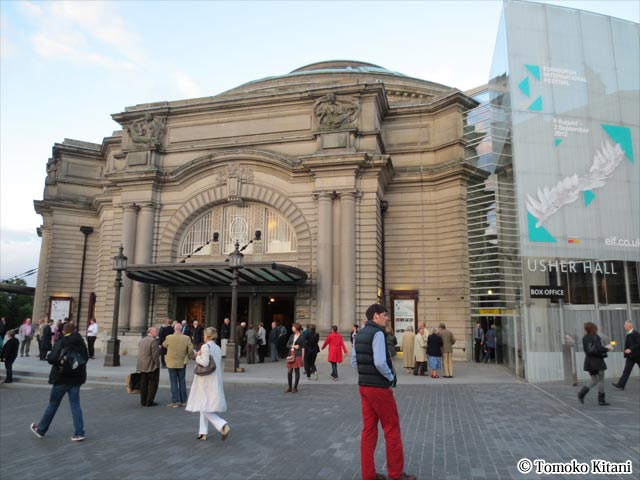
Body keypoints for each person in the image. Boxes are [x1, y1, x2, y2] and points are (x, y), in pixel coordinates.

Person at [351, 304, 415, 480]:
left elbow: (354, 361)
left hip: (363, 386)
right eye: (385, 315)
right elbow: (380, 362)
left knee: (369, 430)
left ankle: (368, 475)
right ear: (376, 316)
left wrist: (365, 374)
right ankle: (395, 474)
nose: (387, 318)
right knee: (392, 429)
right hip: (379, 387)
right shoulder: (377, 333)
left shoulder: (359, 334)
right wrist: (390, 377)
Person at [30, 322, 89, 441]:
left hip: (61, 378)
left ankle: (41, 429)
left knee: (53, 404)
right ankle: (79, 432)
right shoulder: (81, 342)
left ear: (64, 331)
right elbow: (85, 358)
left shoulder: (62, 342)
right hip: (76, 378)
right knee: (75, 405)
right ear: (75, 330)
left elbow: (51, 358)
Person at [186, 327, 230, 441]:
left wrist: (197, 356)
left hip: (205, 379)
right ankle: (202, 432)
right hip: (214, 378)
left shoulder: (205, 346)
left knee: (203, 405)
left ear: (207, 336)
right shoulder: (217, 347)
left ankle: (222, 425)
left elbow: (205, 362)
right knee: (205, 404)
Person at [578, 321, 614, 406]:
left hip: (589, 362)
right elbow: (599, 348)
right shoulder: (596, 337)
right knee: (601, 380)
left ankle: (581, 393)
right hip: (598, 361)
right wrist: (608, 348)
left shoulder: (584, 338)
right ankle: (601, 400)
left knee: (594, 380)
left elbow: (587, 350)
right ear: (594, 329)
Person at [163, 323, 194, 408]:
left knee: (173, 382)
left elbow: (164, 345)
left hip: (171, 362)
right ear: (181, 329)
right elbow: (190, 348)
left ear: (174, 329)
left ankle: (175, 401)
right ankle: (183, 401)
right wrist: (190, 355)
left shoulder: (169, 337)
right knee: (182, 381)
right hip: (182, 362)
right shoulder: (186, 338)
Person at [612, 320, 640, 391]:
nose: (624, 326)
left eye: (625, 325)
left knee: (626, 371)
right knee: (626, 371)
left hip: (637, 356)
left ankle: (621, 384)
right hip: (630, 357)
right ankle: (621, 385)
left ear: (629, 326)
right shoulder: (629, 334)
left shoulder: (635, 333)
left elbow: (638, 343)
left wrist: (631, 349)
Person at [137, 326, 160, 407]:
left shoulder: (142, 340)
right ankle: (149, 401)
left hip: (142, 365)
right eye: (156, 331)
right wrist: (157, 364)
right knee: (153, 384)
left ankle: (143, 400)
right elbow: (155, 355)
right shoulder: (153, 341)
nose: (157, 333)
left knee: (143, 383)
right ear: (151, 332)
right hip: (151, 365)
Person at [284, 322, 305, 393]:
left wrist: (302, 358)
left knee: (296, 371)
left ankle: (295, 387)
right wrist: (293, 346)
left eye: (293, 327)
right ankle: (289, 387)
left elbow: (303, 348)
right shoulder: (292, 336)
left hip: (298, 355)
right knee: (289, 371)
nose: (292, 328)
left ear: (296, 328)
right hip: (291, 354)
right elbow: (287, 345)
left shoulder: (302, 337)